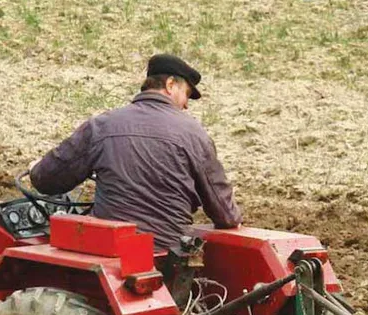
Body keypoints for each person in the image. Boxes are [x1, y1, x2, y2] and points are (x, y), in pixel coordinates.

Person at [28, 54, 242, 251]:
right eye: (186, 94)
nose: (186, 105)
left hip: (108, 252)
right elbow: (225, 214)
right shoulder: (195, 135)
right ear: (170, 84)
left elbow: (47, 180)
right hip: (167, 257)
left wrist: (34, 169)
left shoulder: (103, 125)